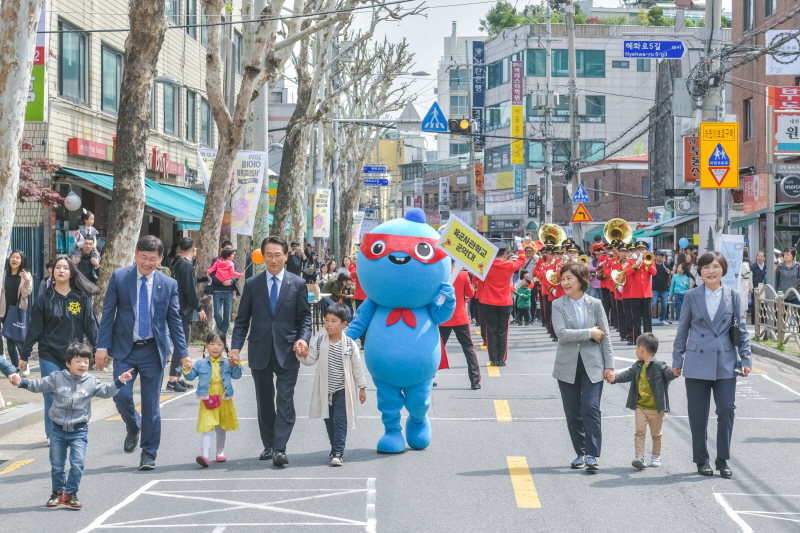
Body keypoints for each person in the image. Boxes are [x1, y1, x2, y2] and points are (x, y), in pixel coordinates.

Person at [95, 235, 190, 471]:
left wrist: (184, 353)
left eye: (153, 259)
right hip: (125, 350)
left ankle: (148, 452)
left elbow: (175, 322)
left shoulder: (168, 284)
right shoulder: (120, 277)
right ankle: (133, 426)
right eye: (144, 257)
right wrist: (101, 347)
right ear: (136, 254)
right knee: (121, 395)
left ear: (160, 259)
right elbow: (108, 314)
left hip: (152, 351)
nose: (147, 263)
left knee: (151, 406)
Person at [12, 342, 132, 509]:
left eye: (86, 361)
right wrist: (20, 382)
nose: (83, 364)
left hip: (79, 431)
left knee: (78, 463)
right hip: (58, 430)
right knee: (57, 465)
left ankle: (71, 493)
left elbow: (106, 391)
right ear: (68, 363)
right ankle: (57, 493)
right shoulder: (57, 377)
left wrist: (120, 381)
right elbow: (37, 385)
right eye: (78, 361)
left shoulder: (91, 381)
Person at [230, 235, 312, 467]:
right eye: (269, 255)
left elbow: (304, 318)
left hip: (287, 350)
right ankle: (269, 443)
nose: (273, 259)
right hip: (259, 350)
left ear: (286, 256)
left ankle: (280, 448)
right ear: (262, 257)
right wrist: (235, 348)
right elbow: (242, 320)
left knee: (285, 400)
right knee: (264, 400)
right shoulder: (253, 284)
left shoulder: (296, 283)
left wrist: (303, 340)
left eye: (278, 255)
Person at [672, 251, 752, 478]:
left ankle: (723, 459)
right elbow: (682, 331)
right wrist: (677, 361)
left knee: (727, 409)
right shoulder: (691, 295)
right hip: (697, 361)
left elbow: (742, 331)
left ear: (723, 270)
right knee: (698, 414)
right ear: (700, 271)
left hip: (726, 361)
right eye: (706, 267)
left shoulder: (733, 295)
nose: (711, 271)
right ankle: (701, 459)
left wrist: (746, 358)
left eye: (716, 266)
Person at [21, 257, 99, 440]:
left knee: (73, 394)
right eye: (58, 268)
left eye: (65, 268)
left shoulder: (81, 298)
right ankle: (53, 434)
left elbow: (91, 325)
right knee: (50, 393)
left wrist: (99, 349)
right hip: (49, 353)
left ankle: (74, 427)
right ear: (52, 272)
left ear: (72, 272)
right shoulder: (44, 299)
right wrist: (24, 355)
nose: (61, 271)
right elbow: (34, 329)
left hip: (74, 355)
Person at [551, 262, 614, 472]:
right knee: (573, 412)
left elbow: (605, 337)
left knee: (591, 408)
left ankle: (592, 454)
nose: (565, 282)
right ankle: (580, 452)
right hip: (566, 366)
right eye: (563, 279)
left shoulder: (595, 304)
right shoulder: (558, 304)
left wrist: (609, 366)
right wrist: (589, 332)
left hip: (593, 365)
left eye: (569, 278)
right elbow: (561, 333)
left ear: (581, 280)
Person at [298, 303, 367, 466]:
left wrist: (362, 388)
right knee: (328, 419)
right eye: (326, 320)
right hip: (325, 389)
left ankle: (338, 452)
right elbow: (310, 360)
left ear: (344, 324)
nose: (328, 324)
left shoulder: (350, 344)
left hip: (343, 388)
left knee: (339, 420)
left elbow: (357, 368)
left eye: (333, 321)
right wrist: (301, 355)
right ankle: (334, 446)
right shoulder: (320, 341)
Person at [608, 333, 677, 469]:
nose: (636, 352)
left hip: (656, 408)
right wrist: (615, 378)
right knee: (639, 431)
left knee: (656, 434)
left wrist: (674, 373)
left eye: (636, 349)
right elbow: (627, 374)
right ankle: (639, 456)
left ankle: (656, 456)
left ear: (641, 349)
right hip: (641, 406)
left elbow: (668, 373)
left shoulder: (659, 366)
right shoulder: (637, 366)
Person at [181, 331, 242, 467]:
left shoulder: (228, 362)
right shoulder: (200, 363)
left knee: (221, 426)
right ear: (206, 346)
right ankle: (205, 456)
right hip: (208, 398)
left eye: (219, 344)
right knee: (208, 427)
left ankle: (220, 452)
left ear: (224, 346)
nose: (215, 347)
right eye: (212, 344)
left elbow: (237, 376)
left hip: (224, 397)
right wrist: (186, 369)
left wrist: (235, 365)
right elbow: (190, 377)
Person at [168, 237, 208, 392]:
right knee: (181, 345)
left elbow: (190, 281)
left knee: (182, 344)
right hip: (184, 310)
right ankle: (172, 380)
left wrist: (204, 278)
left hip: (179, 308)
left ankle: (178, 378)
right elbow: (189, 289)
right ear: (193, 248)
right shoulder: (186, 265)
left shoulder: (178, 263)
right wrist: (199, 307)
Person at [481, 243, 526, 366]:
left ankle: (493, 358)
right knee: (503, 331)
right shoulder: (509, 265)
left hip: (489, 301)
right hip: (505, 302)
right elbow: (522, 260)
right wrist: (520, 246)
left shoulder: (485, 265)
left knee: (490, 330)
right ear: (505, 254)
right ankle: (501, 359)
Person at [439, 267, 482, 390]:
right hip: (459, 316)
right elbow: (470, 294)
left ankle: (429, 378)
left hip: (442, 317)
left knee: (437, 350)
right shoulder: (462, 274)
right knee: (468, 348)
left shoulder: (440, 271)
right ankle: (474, 381)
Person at [1, 250, 34, 371]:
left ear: (22, 261)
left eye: (17, 258)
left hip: (18, 311)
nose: (14, 260)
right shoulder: (4, 274)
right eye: (12, 257)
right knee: (9, 342)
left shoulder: (26, 275)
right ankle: (16, 367)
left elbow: (26, 294)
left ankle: (24, 364)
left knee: (19, 340)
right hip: (4, 311)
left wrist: (26, 281)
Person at [624, 241, 656, 344]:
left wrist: (648, 263)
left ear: (646, 250)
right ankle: (636, 339)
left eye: (643, 249)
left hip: (646, 293)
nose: (641, 251)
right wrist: (637, 263)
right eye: (639, 250)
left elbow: (654, 272)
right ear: (636, 251)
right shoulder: (631, 262)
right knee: (636, 318)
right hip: (635, 294)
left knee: (647, 318)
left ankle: (648, 340)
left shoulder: (650, 260)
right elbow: (628, 273)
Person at [208, 242, 240, 334]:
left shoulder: (233, 262)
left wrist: (231, 281)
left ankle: (222, 335)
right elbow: (212, 274)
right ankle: (222, 334)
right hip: (217, 290)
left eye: (231, 249)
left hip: (229, 291)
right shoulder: (215, 261)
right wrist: (221, 281)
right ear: (221, 249)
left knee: (227, 316)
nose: (229, 251)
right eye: (227, 249)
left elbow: (236, 275)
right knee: (217, 314)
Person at [651, 251, 671, 325]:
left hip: (664, 289)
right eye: (659, 256)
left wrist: (668, 271)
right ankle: (648, 318)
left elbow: (672, 272)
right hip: (654, 288)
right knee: (653, 303)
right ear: (655, 256)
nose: (660, 257)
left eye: (662, 256)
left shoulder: (666, 265)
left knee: (665, 305)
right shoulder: (652, 265)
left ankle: (662, 319)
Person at [750, 250, 768, 324]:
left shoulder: (767, 266)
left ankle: (763, 321)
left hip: (765, 288)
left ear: (764, 258)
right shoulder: (753, 267)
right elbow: (750, 278)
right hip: (756, 288)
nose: (760, 258)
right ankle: (754, 322)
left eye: (761, 256)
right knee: (755, 305)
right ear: (756, 257)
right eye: (758, 256)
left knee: (764, 305)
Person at [739, 252, 752, 319]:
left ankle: (742, 323)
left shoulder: (743, 265)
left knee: (742, 307)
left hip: (742, 287)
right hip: (745, 287)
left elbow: (740, 278)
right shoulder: (747, 264)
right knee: (744, 307)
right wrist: (751, 287)